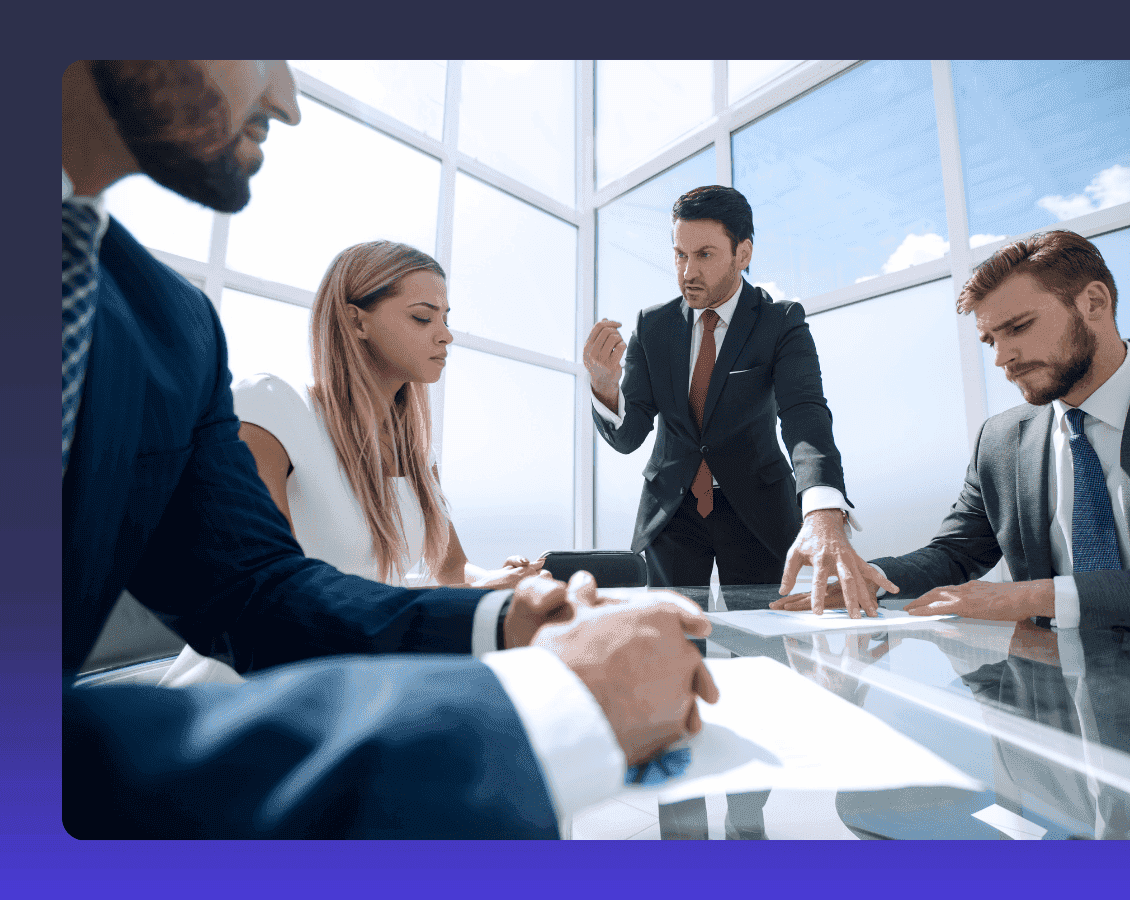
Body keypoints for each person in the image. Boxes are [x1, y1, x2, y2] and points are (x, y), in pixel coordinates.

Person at [61, 59, 717, 838]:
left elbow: (254, 590)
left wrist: (506, 623)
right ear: (357, 319)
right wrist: (535, 716)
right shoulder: (265, 400)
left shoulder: (172, 330)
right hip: (254, 719)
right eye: (421, 315)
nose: (288, 99)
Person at [772, 230, 1130, 639]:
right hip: (1059, 706)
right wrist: (873, 576)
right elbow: (955, 554)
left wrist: (1042, 597)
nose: (1002, 359)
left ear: (1094, 303)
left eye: (1018, 327)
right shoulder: (1001, 439)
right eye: (991, 340)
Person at [159, 241, 546, 687]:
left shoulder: (418, 455)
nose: (445, 335)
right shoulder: (273, 408)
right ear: (356, 319)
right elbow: (271, 598)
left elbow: (452, 568)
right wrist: (474, 603)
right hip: (251, 685)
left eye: (446, 318)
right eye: (423, 317)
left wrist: (503, 581)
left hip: (358, 676)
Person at [584, 185, 894, 617]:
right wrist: (604, 385)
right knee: (671, 649)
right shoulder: (651, 326)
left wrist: (823, 507)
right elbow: (629, 435)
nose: (688, 271)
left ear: (742, 253)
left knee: (767, 650)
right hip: (670, 512)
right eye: (680, 254)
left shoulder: (780, 322)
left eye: (705, 255)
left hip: (756, 512)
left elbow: (804, 414)